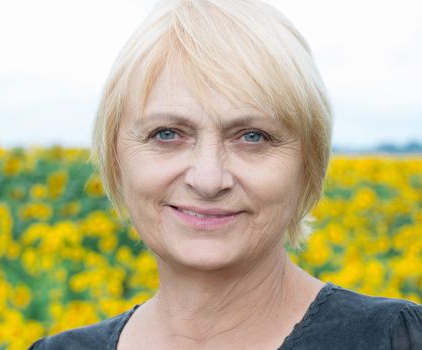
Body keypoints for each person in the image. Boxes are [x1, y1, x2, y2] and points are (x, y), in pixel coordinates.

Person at [30, 0, 422, 348]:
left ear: (308, 166)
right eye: (167, 134)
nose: (208, 178)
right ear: (115, 160)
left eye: (252, 137)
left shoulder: (394, 338)